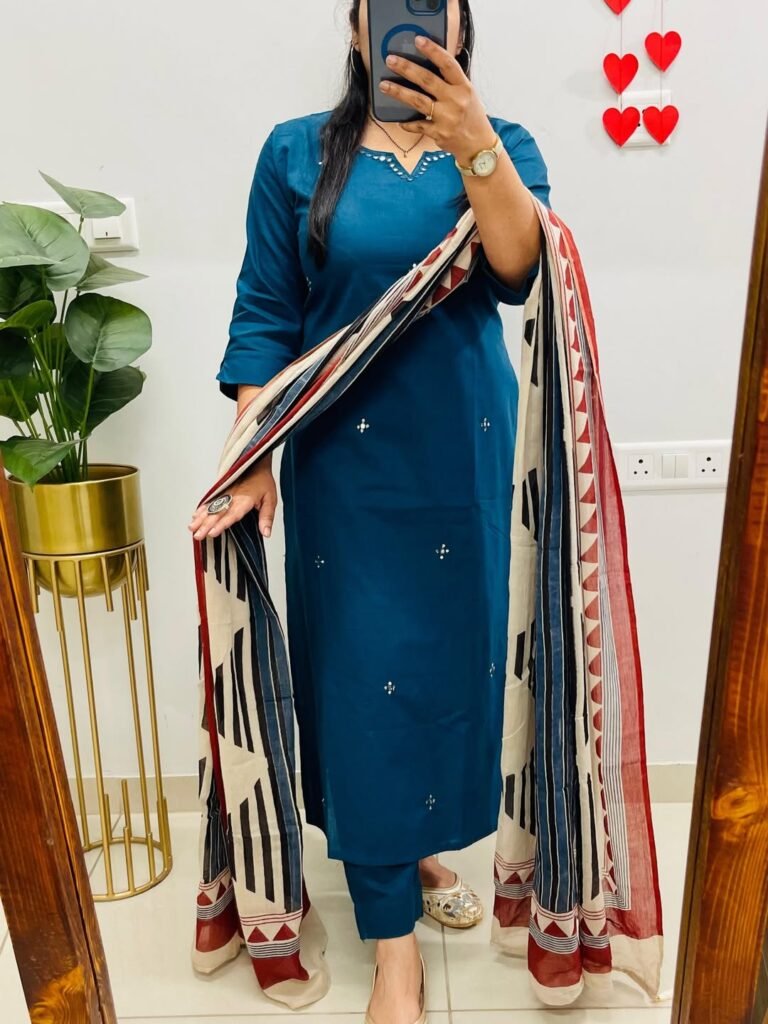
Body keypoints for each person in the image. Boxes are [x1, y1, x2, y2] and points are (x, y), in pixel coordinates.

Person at [189, 2, 551, 1021]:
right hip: (343, 470)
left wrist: (473, 143)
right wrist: (252, 455)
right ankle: (394, 947)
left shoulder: (506, 143)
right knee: (362, 682)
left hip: (462, 458)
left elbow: (518, 269)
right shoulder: (298, 152)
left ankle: (419, 847)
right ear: (357, 29)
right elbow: (266, 311)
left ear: (462, 26)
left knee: (448, 673)